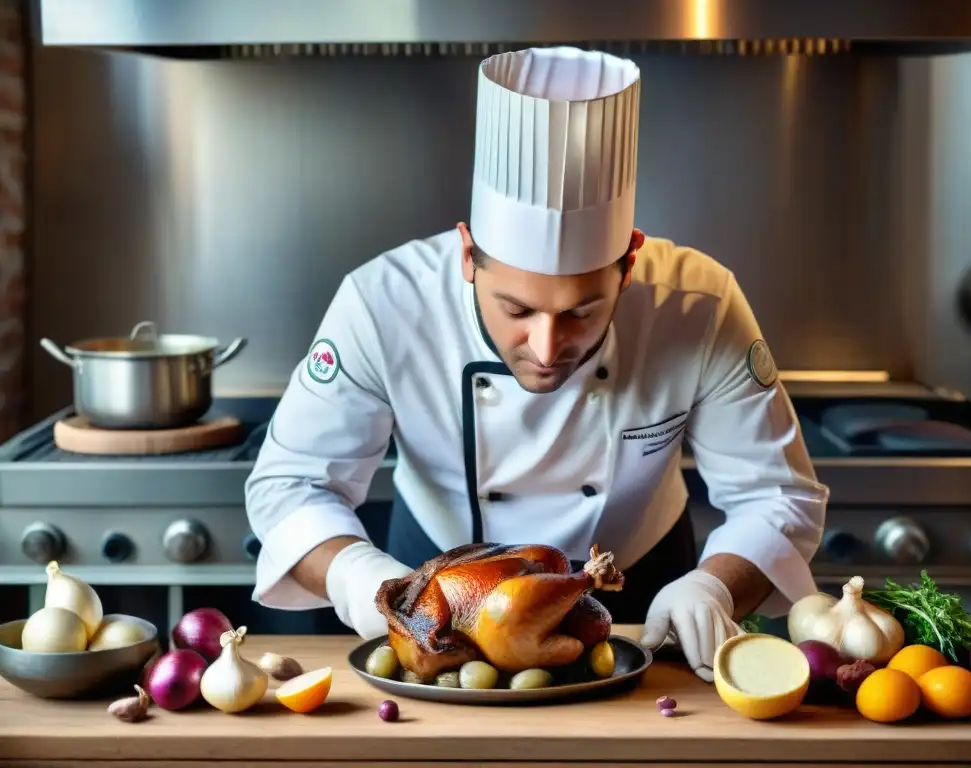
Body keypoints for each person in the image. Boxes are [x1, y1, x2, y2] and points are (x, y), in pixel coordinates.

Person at [244, 45, 829, 682]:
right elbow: (289, 485)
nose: (547, 349)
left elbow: (776, 494)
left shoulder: (700, 303)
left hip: (639, 602)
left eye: (581, 312)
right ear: (468, 256)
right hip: (433, 607)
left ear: (628, 264)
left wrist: (713, 590)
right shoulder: (382, 304)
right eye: (517, 309)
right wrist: (367, 582)